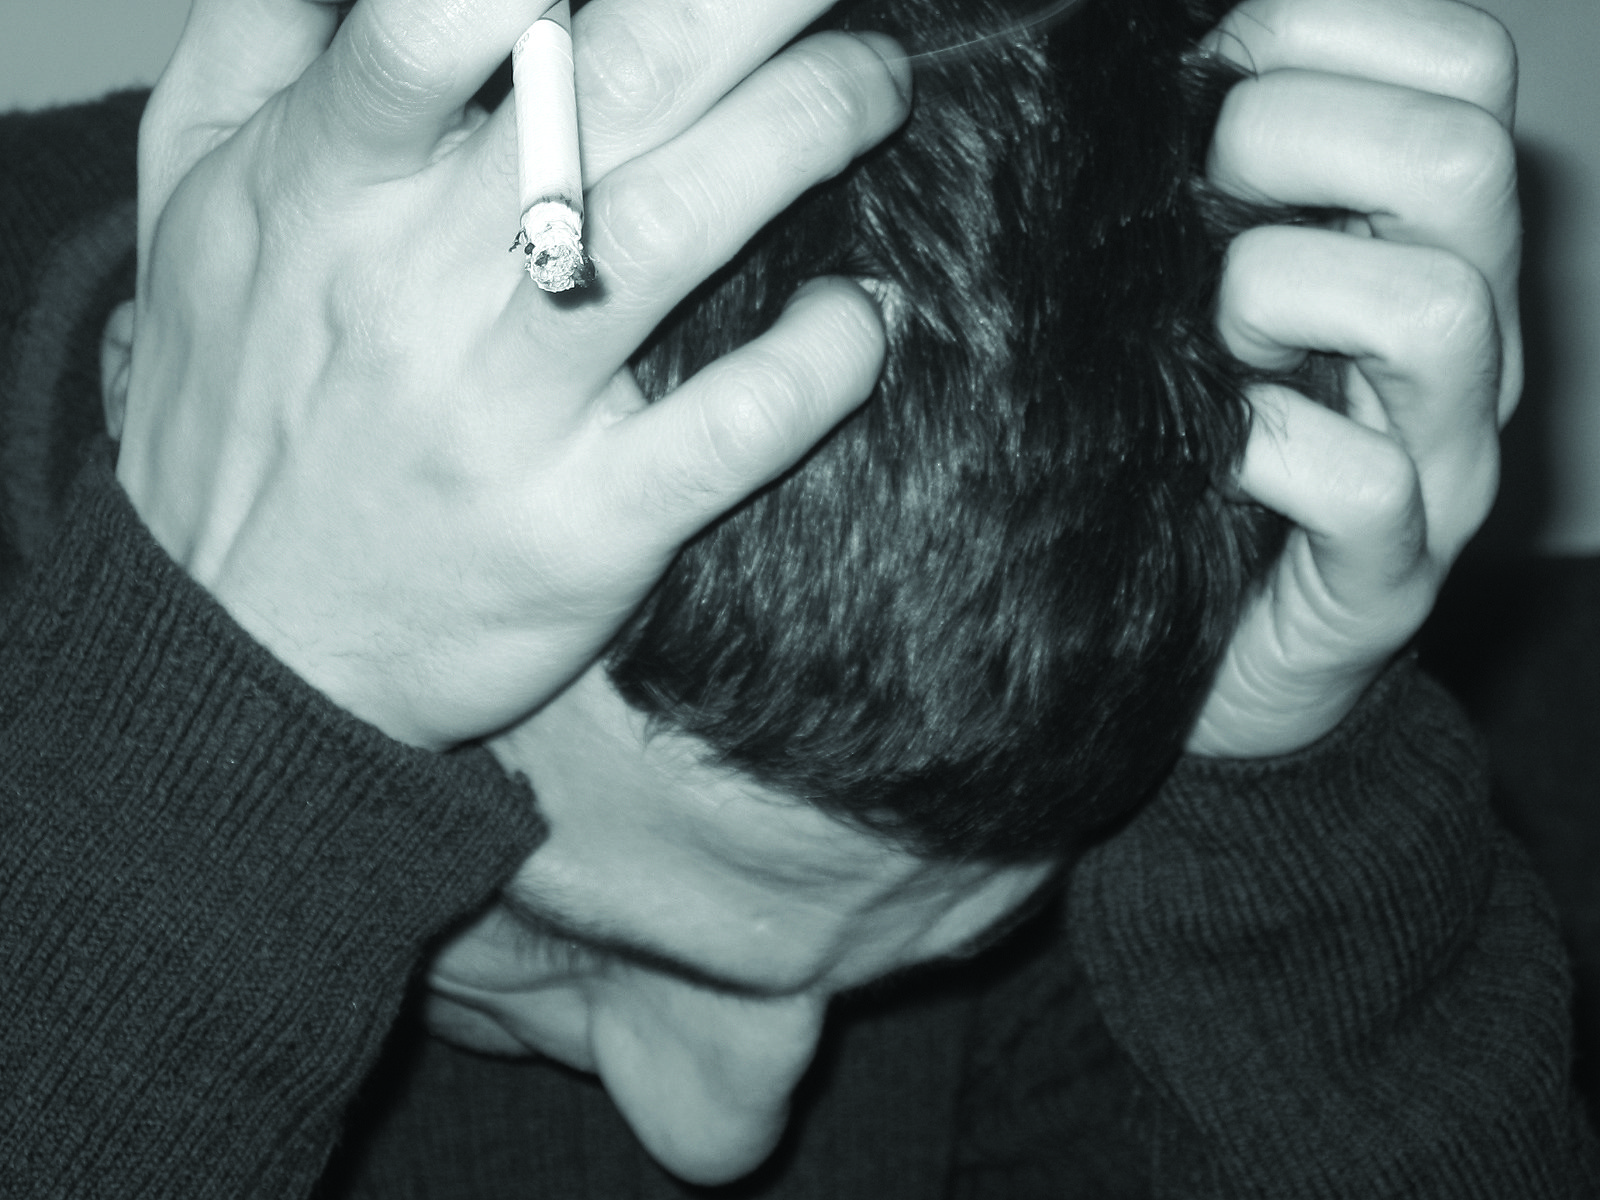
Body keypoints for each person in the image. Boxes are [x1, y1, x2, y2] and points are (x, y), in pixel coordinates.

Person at [0, 0, 1590, 1198]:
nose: (728, 1138)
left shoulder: (1078, 691)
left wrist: (1287, 810)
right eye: (546, 930)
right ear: (159, 394)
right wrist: (210, 738)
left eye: (943, 953)